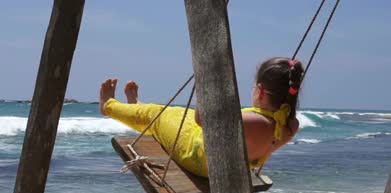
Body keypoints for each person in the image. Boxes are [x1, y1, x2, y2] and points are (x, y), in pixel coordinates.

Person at [99, 57, 302, 178]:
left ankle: (109, 106)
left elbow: (201, 119)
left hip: (199, 157)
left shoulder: (255, 123)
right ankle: (137, 107)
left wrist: (206, 85)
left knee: (158, 115)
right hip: (223, 161)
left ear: (259, 91)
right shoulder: (289, 125)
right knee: (178, 113)